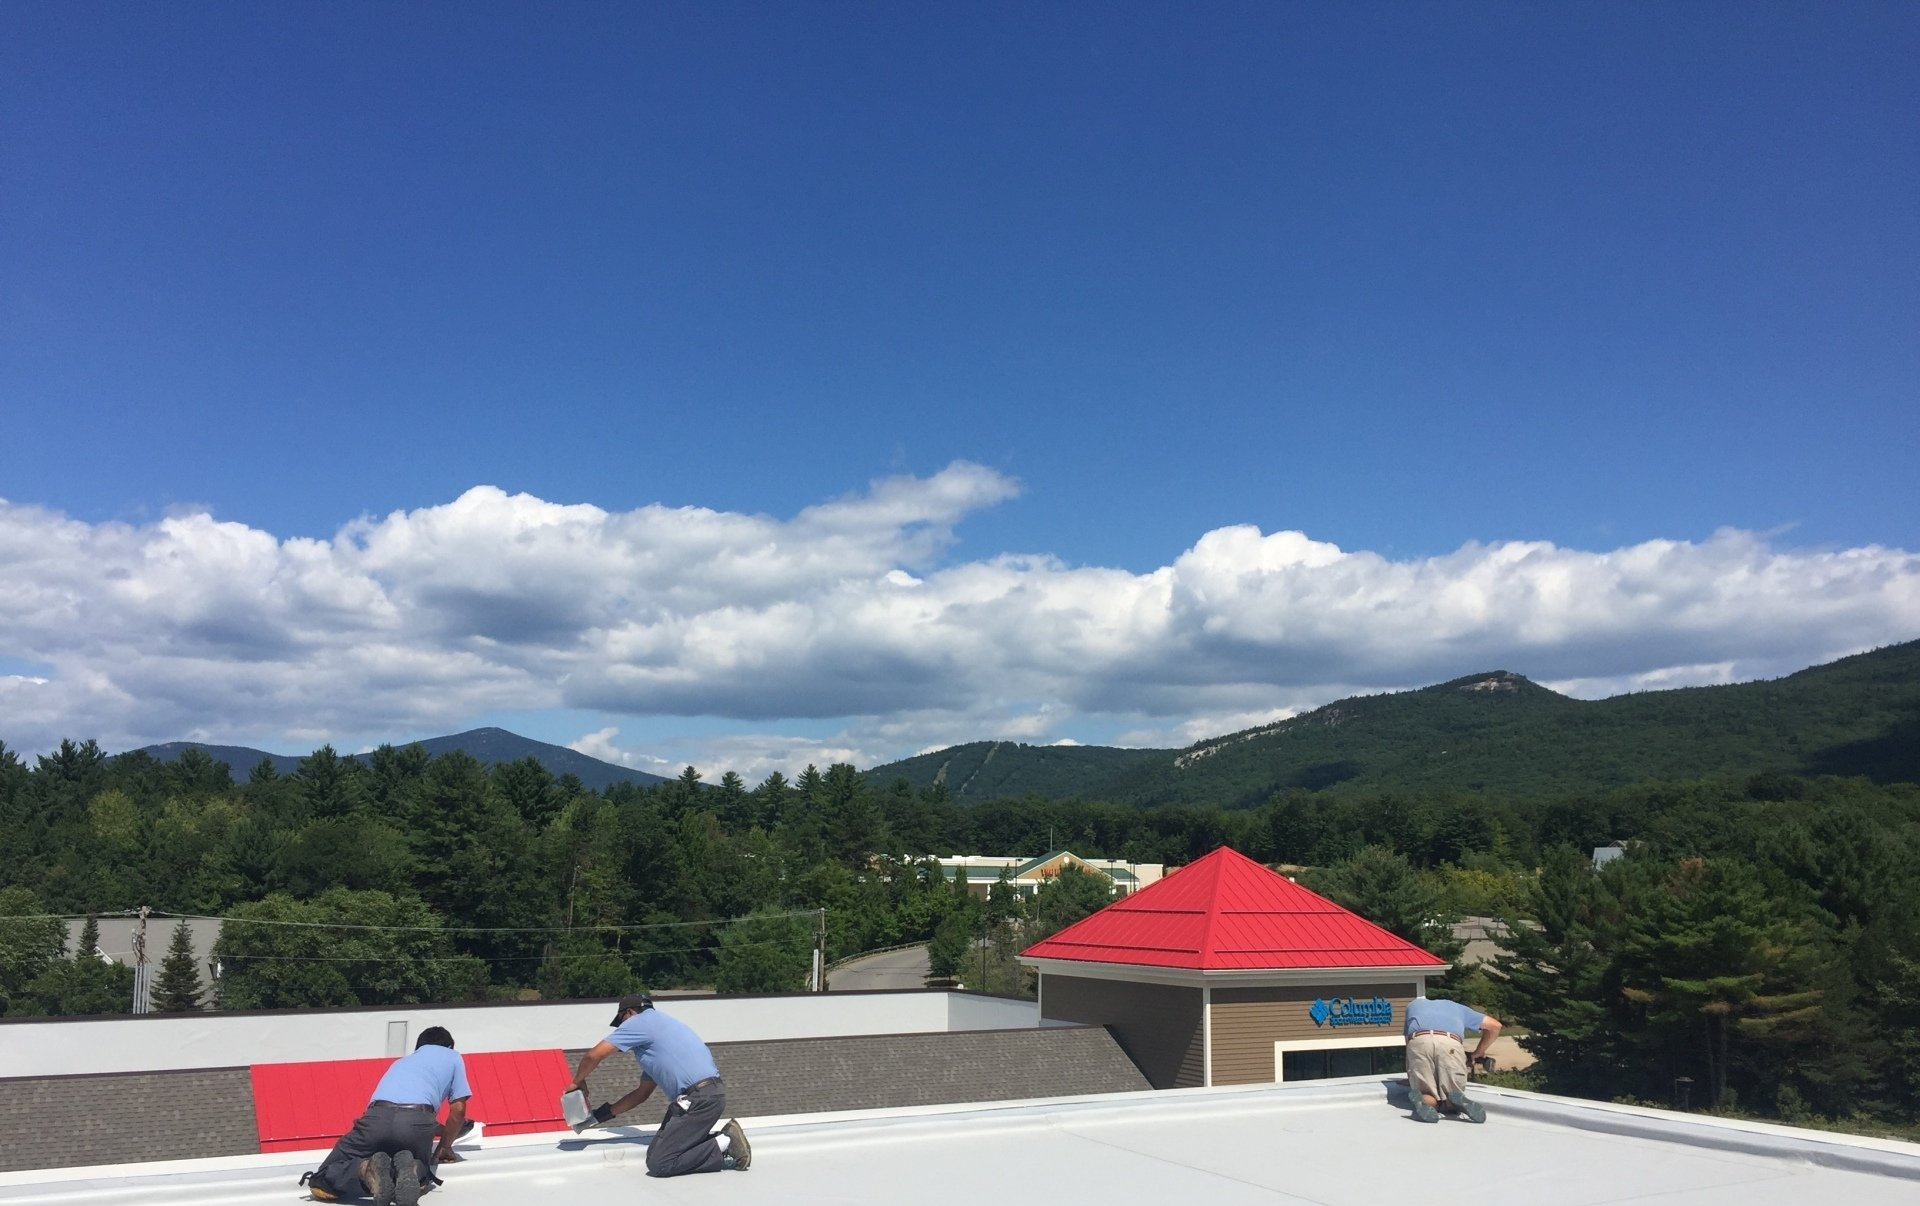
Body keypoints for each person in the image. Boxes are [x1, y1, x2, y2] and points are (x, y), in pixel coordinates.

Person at [569, 993, 751, 1175]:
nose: (622, 1029)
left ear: (630, 1013)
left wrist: (578, 1081)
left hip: (697, 1100)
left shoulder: (638, 1022)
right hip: (709, 1095)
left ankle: (726, 1141)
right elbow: (641, 1095)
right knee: (657, 1151)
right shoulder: (662, 1038)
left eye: (621, 1022)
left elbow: (594, 1055)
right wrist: (596, 1118)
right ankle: (723, 1141)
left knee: (660, 1163)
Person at [303, 1026, 471, 1204]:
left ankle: (366, 1169)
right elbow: (458, 1110)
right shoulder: (453, 1057)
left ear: (418, 1047)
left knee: (322, 1179)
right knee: (421, 1171)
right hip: (418, 1121)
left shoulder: (400, 1063)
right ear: (450, 1046)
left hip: (376, 1118)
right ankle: (413, 1169)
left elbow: (393, 1117)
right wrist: (445, 1145)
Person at [1403, 994, 1501, 1124]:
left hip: (1418, 1041)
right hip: (1450, 1043)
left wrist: (1411, 1078)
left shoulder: (1413, 1005)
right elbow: (1495, 1026)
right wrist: (1479, 1051)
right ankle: (1454, 1100)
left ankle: (1423, 1101)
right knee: (1452, 1093)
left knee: (1426, 1093)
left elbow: (1408, 1044)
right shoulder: (1459, 1008)